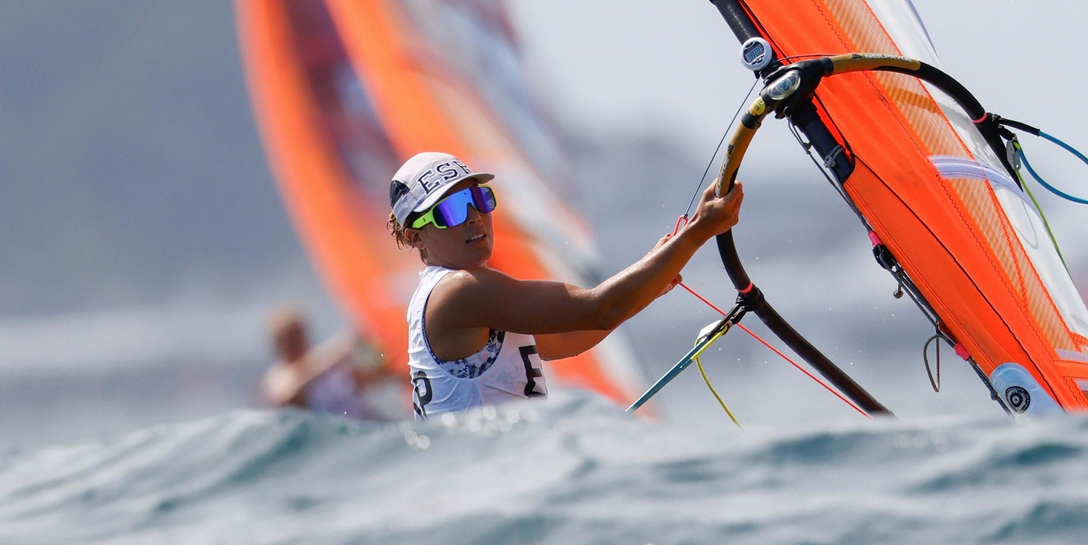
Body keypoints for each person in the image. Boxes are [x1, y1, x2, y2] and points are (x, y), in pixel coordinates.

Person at [389, 151, 742, 419]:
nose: (473, 216)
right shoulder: (461, 291)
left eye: (479, 199)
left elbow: (569, 337)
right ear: (414, 236)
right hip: (485, 488)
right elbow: (598, 309)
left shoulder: (466, 296)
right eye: (451, 210)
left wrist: (652, 278)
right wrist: (698, 232)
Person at [259, 308, 393, 419]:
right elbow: (287, 397)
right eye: (288, 338)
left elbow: (367, 381)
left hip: (367, 424)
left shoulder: (323, 360)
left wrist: (381, 355)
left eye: (296, 336)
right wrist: (337, 353)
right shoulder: (279, 376)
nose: (294, 343)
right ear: (278, 344)